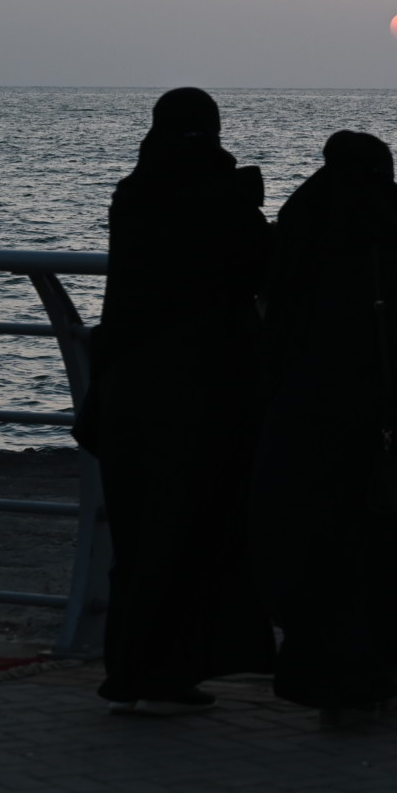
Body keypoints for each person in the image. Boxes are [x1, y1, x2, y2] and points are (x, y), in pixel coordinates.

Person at [79, 86, 275, 715]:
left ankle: (135, 667)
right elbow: (258, 267)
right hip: (204, 390)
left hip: (127, 388)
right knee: (192, 532)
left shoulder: (134, 196)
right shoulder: (225, 199)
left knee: (137, 537)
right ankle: (167, 668)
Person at [250, 129, 397, 727]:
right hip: (387, 423)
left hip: (305, 423)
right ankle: (377, 676)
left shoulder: (301, 221)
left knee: (316, 551)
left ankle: (318, 678)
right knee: (384, 553)